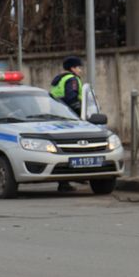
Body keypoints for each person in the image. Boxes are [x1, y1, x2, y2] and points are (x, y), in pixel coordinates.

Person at [50, 56, 84, 192]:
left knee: (63, 150)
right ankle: (71, 178)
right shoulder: (72, 79)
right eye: (79, 67)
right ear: (72, 68)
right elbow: (72, 98)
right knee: (76, 148)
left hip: (56, 118)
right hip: (70, 119)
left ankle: (64, 182)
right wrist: (80, 113)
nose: (81, 70)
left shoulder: (60, 79)